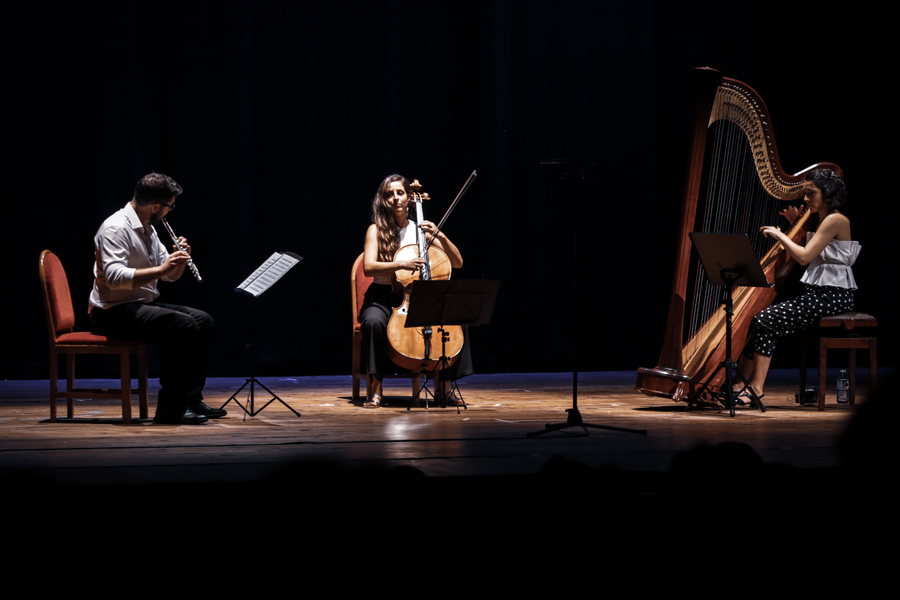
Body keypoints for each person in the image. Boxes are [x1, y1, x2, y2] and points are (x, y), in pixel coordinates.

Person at [89, 173, 224, 424]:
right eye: (169, 206)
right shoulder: (116, 228)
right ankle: (171, 410)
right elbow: (116, 278)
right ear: (155, 206)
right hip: (112, 313)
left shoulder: (148, 228)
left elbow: (169, 277)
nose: (169, 212)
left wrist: (179, 261)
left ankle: (190, 400)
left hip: (139, 305)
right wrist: (164, 268)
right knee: (182, 325)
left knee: (203, 320)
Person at [737, 169, 859, 404]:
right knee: (760, 320)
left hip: (833, 296)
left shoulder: (835, 219)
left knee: (765, 320)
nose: (804, 199)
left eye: (810, 193)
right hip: (820, 293)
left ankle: (755, 388)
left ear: (828, 193)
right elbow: (815, 252)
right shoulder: (822, 219)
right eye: (804, 193)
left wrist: (779, 235)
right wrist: (796, 224)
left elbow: (804, 257)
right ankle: (738, 382)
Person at [359, 174, 472, 408]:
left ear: (410, 197)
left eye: (400, 193)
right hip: (382, 296)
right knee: (372, 322)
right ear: (383, 200)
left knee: (452, 320)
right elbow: (369, 267)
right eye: (389, 194)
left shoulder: (421, 230)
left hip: (416, 296)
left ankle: (444, 388)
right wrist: (401, 264)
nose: (395, 198)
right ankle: (375, 389)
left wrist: (439, 234)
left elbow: (458, 262)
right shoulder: (376, 230)